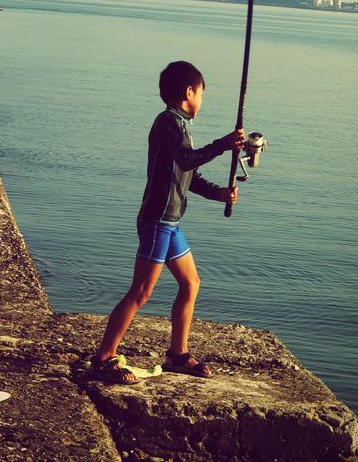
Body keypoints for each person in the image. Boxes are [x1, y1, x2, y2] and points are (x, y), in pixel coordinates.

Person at [90, 60, 245, 383]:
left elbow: (188, 173)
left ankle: (177, 353)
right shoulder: (168, 122)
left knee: (191, 284)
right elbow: (187, 159)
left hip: (171, 221)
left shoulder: (179, 125)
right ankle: (103, 358)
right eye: (201, 94)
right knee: (142, 291)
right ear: (189, 92)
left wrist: (219, 194)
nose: (201, 100)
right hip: (157, 220)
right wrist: (223, 144)